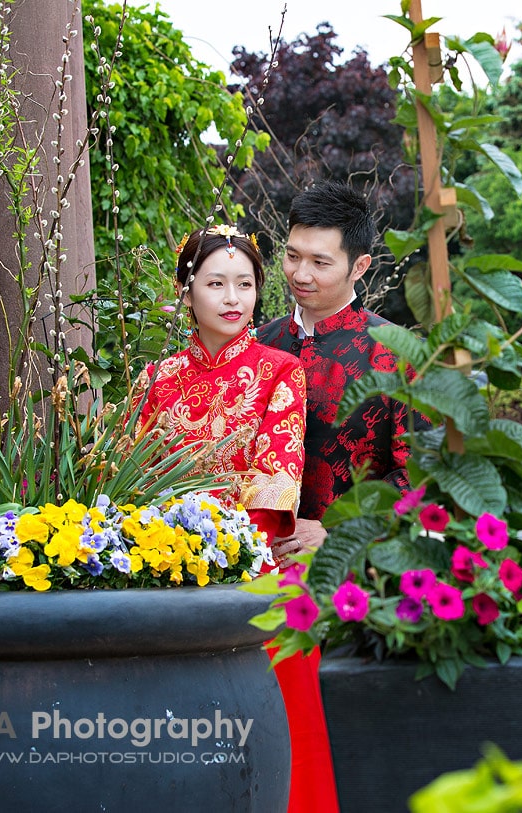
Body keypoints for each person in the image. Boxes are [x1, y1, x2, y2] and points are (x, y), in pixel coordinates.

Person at [133, 223, 339, 813]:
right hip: (168, 568)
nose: (232, 298)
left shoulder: (279, 372)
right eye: (216, 283)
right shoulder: (156, 380)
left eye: (245, 284)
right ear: (185, 289)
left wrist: (203, 551)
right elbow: (131, 486)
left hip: (261, 567)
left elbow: (272, 487)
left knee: (285, 740)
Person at [258, 181, 425, 565]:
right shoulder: (260, 345)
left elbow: (420, 475)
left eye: (320, 263)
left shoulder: (398, 353)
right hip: (254, 572)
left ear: (360, 267)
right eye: (291, 256)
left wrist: (335, 530)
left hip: (357, 572)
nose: (300, 274)